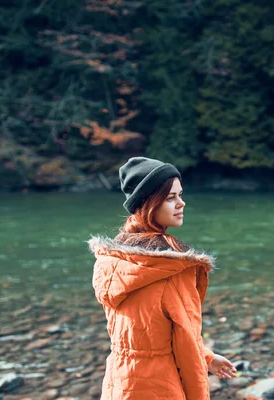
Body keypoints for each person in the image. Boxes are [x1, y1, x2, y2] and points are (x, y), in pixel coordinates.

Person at [88, 157, 237, 399]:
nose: (181, 203)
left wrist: (207, 357)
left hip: (121, 384)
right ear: (148, 203)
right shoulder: (170, 269)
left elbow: (145, 335)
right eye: (171, 198)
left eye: (180, 195)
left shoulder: (113, 259)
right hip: (160, 388)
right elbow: (185, 345)